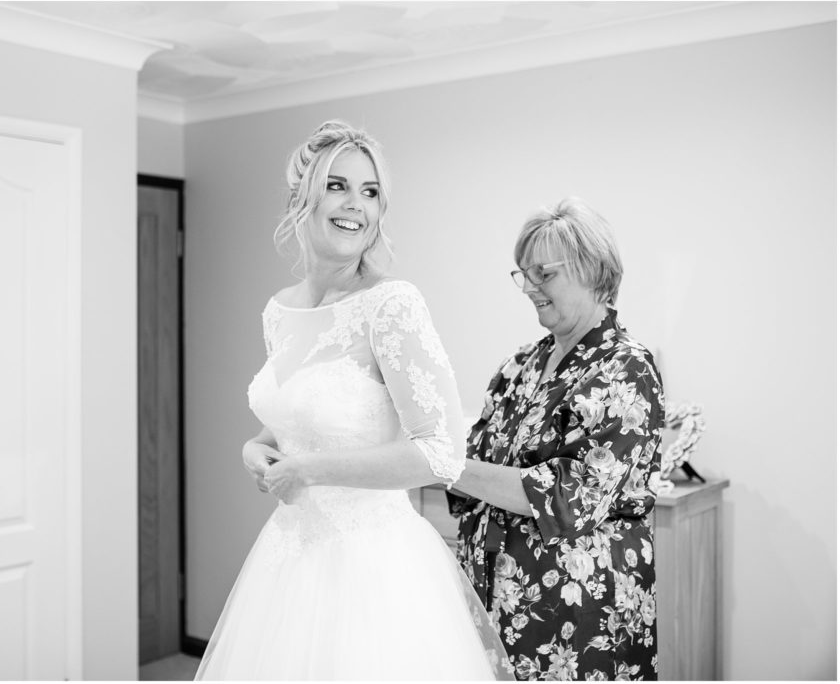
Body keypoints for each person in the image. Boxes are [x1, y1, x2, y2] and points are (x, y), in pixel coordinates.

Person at [195, 120, 510, 680]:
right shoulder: (279, 312)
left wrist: (308, 471)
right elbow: (302, 420)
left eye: (370, 192)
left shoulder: (391, 305)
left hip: (374, 570)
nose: (355, 205)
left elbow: (441, 453)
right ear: (303, 196)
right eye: (338, 185)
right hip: (290, 560)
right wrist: (256, 448)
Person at [448, 199, 663, 680]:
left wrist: (442, 464)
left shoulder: (626, 367)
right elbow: (473, 464)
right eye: (523, 274)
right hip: (492, 598)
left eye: (544, 274)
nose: (529, 288)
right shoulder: (517, 366)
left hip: (578, 618)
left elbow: (567, 496)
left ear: (592, 270)